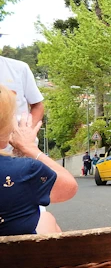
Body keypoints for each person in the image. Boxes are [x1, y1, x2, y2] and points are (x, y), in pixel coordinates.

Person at [0, 84, 77, 236]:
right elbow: (69, 188)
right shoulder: (24, 171)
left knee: (46, 218)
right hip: (17, 259)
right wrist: (29, 148)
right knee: (47, 219)